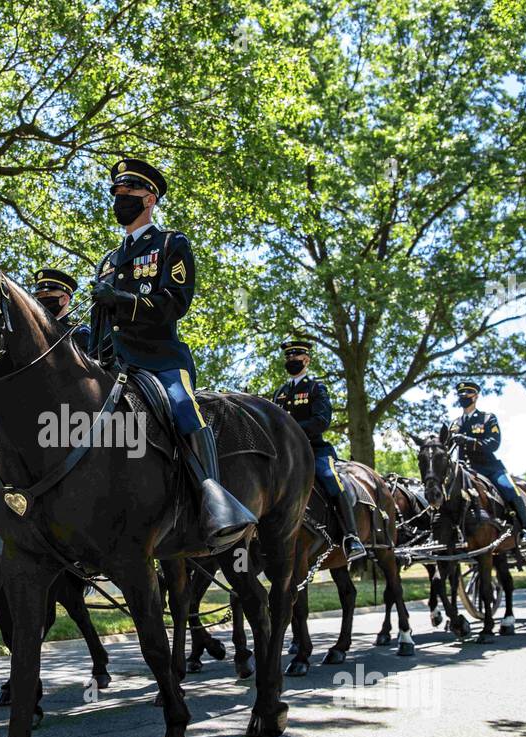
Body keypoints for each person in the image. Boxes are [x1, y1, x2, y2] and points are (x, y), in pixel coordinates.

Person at [86, 158, 255, 549]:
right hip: (112, 361)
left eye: (126, 193)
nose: (118, 199)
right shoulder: (109, 261)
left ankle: (213, 499)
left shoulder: (170, 244)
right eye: (115, 193)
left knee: (183, 406)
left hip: (159, 359)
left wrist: (124, 299)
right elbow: (99, 321)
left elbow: (175, 302)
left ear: (149, 198)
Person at [271, 340, 367, 563]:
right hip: (285, 453)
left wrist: (292, 430)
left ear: (306, 360)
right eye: (288, 358)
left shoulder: (316, 388)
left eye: (295, 358)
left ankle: (352, 537)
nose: (291, 362)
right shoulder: (280, 393)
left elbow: (322, 421)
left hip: (314, 450)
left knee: (330, 478)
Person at [450, 381, 526, 550]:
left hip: (489, 468)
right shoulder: (455, 423)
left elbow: (494, 443)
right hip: (465, 469)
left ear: (475, 396)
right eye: (461, 395)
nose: (463, 398)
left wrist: (470, 441)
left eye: (467, 394)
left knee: (510, 490)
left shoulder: (488, 418)